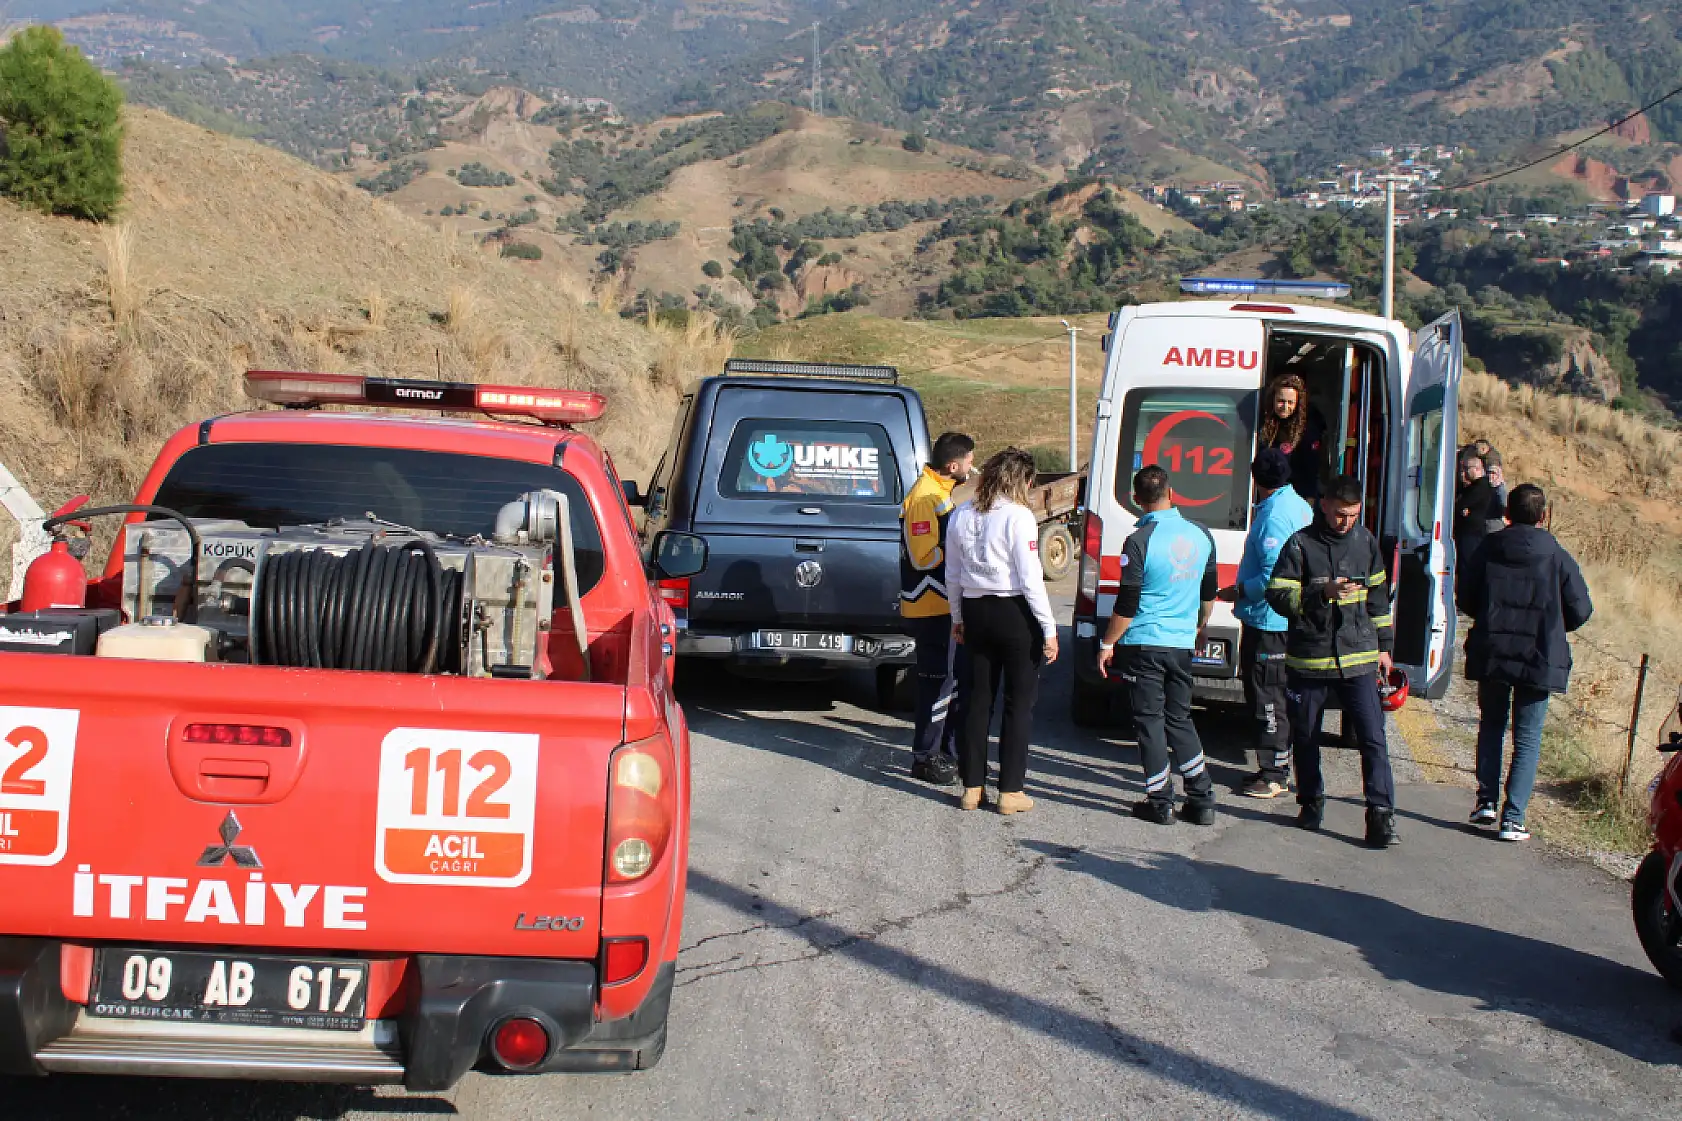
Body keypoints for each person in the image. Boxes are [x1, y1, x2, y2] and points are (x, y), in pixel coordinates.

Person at [1266, 474, 1401, 848]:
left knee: (1373, 738)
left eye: (1353, 515)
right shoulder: (1300, 544)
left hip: (1358, 658)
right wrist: (1320, 592)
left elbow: (1378, 600)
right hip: (1310, 658)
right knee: (1306, 735)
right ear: (1323, 505)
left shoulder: (1366, 541)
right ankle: (1311, 801)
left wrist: (1385, 648)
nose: (1346, 522)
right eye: (1340, 514)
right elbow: (1277, 595)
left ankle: (1381, 816)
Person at [1458, 483, 1593, 842]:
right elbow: (1581, 608)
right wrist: (1553, 623)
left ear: (1507, 514)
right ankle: (1513, 817)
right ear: (1544, 516)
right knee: (1528, 737)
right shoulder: (1557, 555)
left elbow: (1466, 597)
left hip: (1494, 649)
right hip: (1539, 653)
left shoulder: (1490, 548)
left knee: (1492, 725)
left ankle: (1485, 800)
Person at [1095, 466, 1219, 826]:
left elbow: (1127, 604)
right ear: (1172, 492)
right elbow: (1207, 594)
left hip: (1144, 644)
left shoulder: (1138, 542)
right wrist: (1200, 626)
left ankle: (1161, 800)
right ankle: (1202, 797)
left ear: (1136, 500)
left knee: (1149, 722)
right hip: (1181, 643)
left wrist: (1107, 643)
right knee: (1180, 718)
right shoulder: (1201, 535)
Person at [946, 447, 1059, 814]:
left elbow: (953, 575)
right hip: (1013, 612)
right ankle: (1010, 790)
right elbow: (1030, 579)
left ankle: (972, 786)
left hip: (976, 610)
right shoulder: (1019, 516)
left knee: (976, 702)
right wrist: (1049, 628)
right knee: (1018, 704)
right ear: (1025, 480)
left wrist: (957, 617)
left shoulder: (962, 513)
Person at [1218, 448, 1314, 800]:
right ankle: (1275, 766)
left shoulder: (1274, 516)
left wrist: (1239, 590)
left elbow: (1275, 575)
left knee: (1267, 697)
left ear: (1255, 480)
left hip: (1270, 621)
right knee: (1277, 695)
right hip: (1285, 619)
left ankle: (1274, 774)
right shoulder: (1299, 505)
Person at [900, 431, 977, 786]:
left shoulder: (939, 493)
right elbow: (922, 556)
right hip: (929, 606)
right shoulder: (924, 498)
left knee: (951, 683)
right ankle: (924, 758)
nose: (972, 468)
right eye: (970, 461)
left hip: (945, 606)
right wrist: (959, 550)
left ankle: (946, 752)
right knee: (935, 684)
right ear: (953, 465)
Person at [1260, 374, 1329, 499]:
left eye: (1290, 402)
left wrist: (1309, 504)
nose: (1285, 407)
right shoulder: (1261, 424)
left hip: (1295, 496)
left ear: (1297, 403)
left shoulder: (1307, 430)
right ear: (1272, 400)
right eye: (1281, 401)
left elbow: (1311, 472)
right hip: (1264, 494)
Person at [1452, 449, 1500, 586]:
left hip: (1473, 535)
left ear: (1477, 469)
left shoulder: (1482, 487)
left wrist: (1464, 509)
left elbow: (1462, 505)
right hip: (1467, 533)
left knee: (1468, 569)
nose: (1465, 473)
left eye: (1467, 469)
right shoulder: (1472, 487)